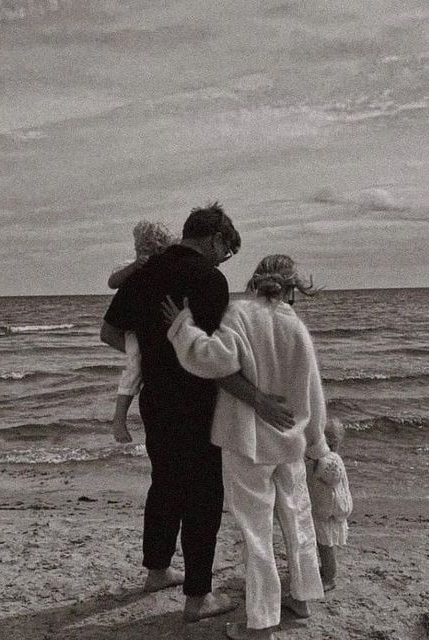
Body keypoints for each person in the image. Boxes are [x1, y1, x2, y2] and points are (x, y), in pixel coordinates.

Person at [100, 204, 294, 624]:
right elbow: (212, 358)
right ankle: (197, 597)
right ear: (214, 238)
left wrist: (153, 356)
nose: (225, 259)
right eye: (227, 249)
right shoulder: (209, 279)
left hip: (156, 399)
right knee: (203, 494)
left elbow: (109, 332)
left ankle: (156, 571)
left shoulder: (144, 273)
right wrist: (257, 396)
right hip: (198, 399)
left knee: (165, 482)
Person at [161, 254, 331, 640]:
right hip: (290, 441)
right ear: (292, 288)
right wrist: (317, 445)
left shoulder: (239, 314)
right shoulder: (296, 327)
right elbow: (313, 394)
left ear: (255, 280)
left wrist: (182, 326)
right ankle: (302, 597)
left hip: (248, 441)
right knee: (297, 519)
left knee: (256, 533)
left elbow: (210, 360)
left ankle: (262, 623)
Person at [107, 220, 174, 444]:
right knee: (135, 364)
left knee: (139, 362)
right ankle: (119, 420)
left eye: (151, 250)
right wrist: (134, 266)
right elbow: (112, 282)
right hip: (134, 329)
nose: (145, 255)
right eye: (141, 250)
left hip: (145, 329)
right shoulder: (130, 266)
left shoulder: (164, 267)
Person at [306, 417, 353, 591]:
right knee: (323, 543)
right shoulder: (325, 458)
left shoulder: (330, 460)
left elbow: (332, 475)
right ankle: (326, 570)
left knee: (325, 545)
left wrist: (317, 461)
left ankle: (330, 577)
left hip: (329, 511)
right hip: (325, 508)